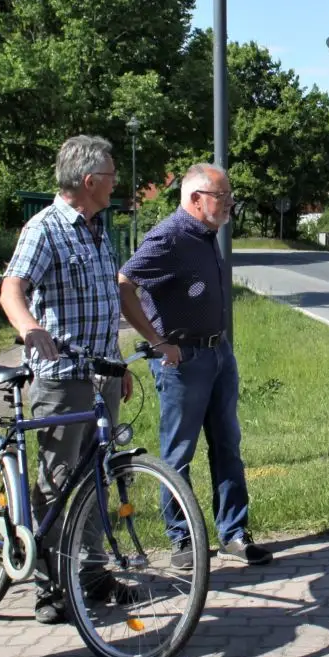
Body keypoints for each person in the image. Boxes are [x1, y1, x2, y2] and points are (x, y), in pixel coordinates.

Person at [0, 135, 132, 625]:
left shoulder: (99, 229)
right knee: (57, 482)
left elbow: (105, 302)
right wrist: (29, 327)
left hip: (103, 376)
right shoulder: (46, 229)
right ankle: (50, 586)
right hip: (62, 379)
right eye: (112, 176)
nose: (117, 183)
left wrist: (118, 365)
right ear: (90, 181)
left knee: (100, 476)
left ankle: (92, 573)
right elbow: (12, 288)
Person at [118, 162, 272, 569]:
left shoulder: (207, 234)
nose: (229, 206)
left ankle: (234, 533)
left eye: (229, 198)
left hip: (218, 354)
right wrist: (157, 341)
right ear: (196, 198)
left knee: (227, 445)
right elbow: (123, 284)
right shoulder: (169, 236)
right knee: (178, 454)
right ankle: (183, 540)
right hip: (183, 361)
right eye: (223, 198)